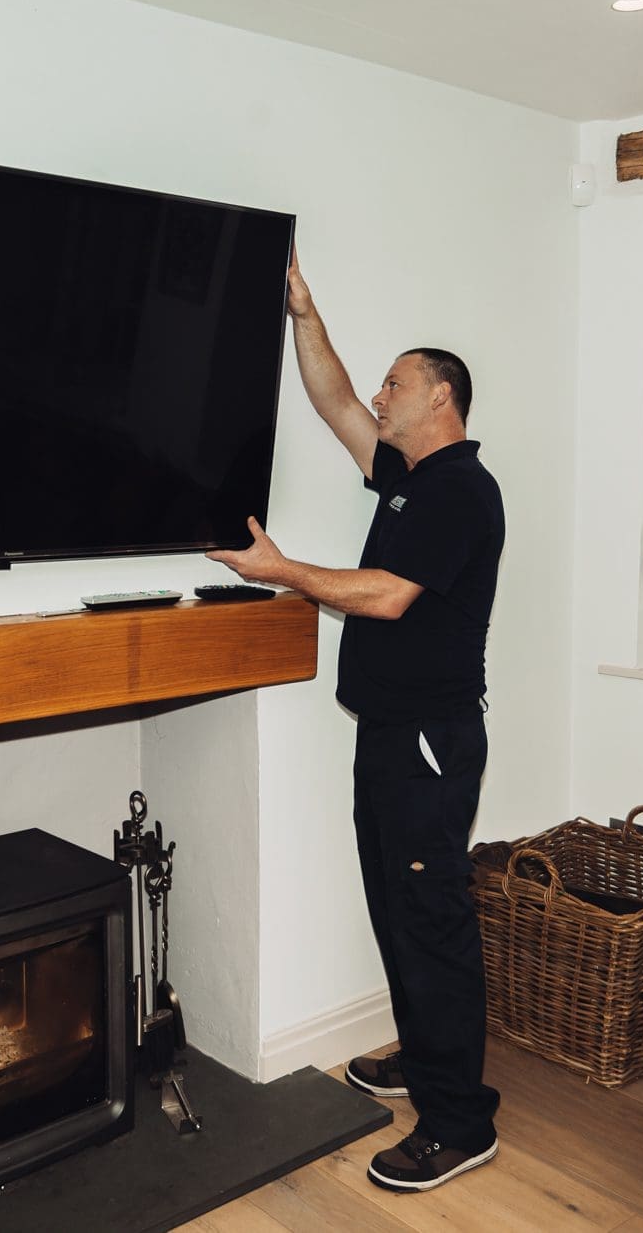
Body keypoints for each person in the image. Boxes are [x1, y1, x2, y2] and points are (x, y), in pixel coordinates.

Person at [209, 253, 505, 1193]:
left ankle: (461, 1120)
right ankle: (424, 1055)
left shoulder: (462, 489)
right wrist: (303, 310)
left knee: (432, 920)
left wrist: (283, 570)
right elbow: (334, 401)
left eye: (397, 382)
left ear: (441, 398)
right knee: (397, 907)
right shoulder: (411, 475)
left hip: (428, 739)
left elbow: (383, 596)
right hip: (390, 732)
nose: (379, 393)